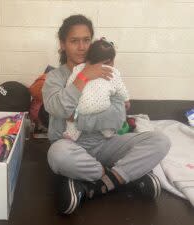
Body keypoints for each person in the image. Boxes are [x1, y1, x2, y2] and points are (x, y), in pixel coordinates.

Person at [42, 14, 171, 215]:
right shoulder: (54, 78)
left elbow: (117, 117)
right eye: (74, 41)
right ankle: (124, 177)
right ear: (62, 44)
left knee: (160, 140)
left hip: (104, 144)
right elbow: (59, 109)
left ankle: (90, 185)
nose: (82, 47)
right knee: (57, 155)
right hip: (70, 146)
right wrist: (84, 77)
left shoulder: (107, 72)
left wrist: (78, 119)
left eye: (86, 40)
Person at [63, 38, 130, 141]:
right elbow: (121, 89)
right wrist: (126, 100)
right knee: (107, 115)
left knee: (72, 120)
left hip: (79, 108)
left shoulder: (80, 68)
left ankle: (72, 133)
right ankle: (107, 132)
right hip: (102, 107)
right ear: (109, 61)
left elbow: (70, 83)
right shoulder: (113, 72)